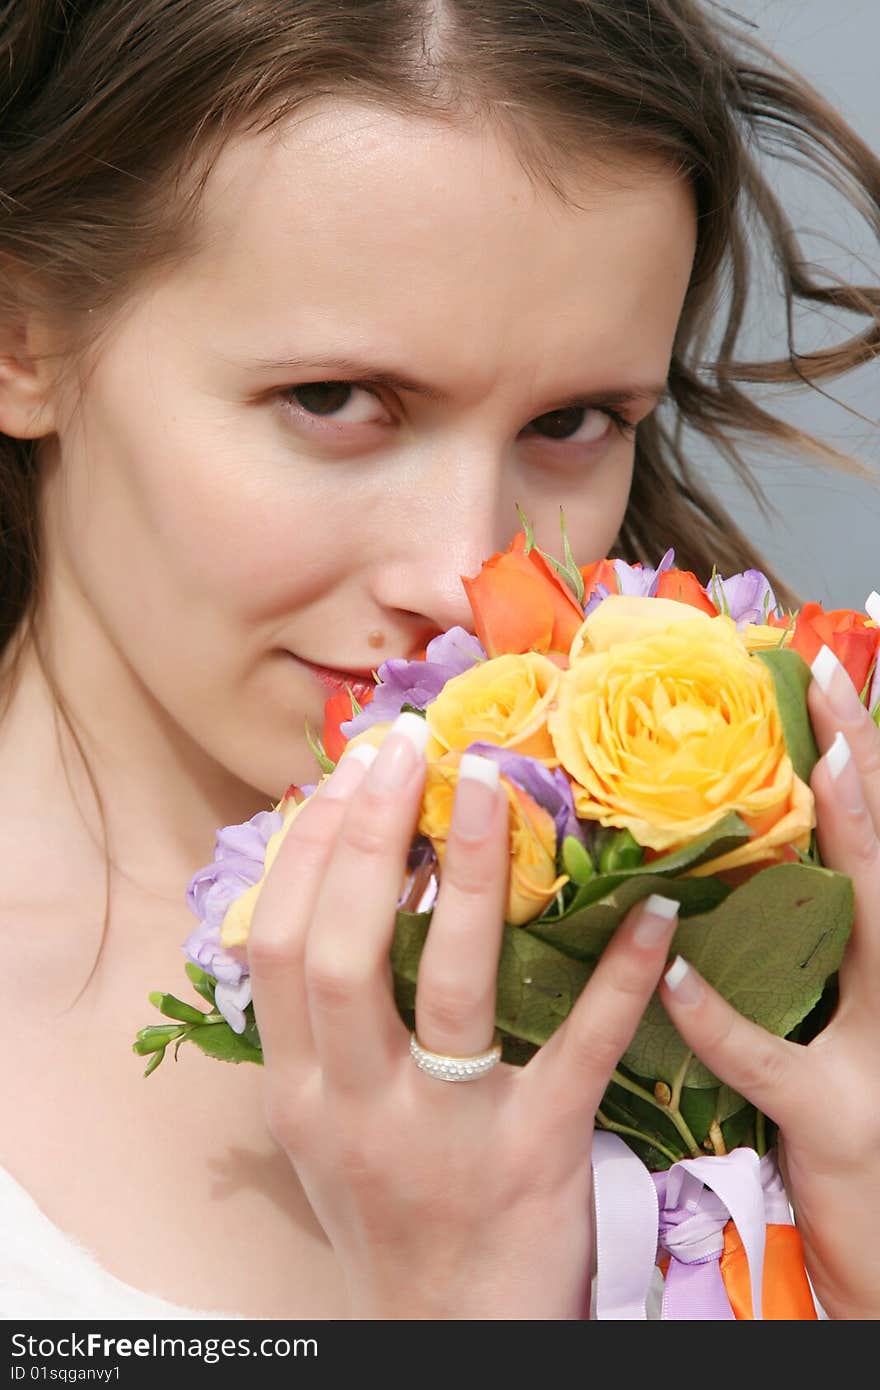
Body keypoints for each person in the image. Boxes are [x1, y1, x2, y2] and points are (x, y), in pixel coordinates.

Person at [0, 0, 878, 1321]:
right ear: (22, 338)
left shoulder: (798, 955)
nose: (464, 571)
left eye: (575, 420)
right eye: (336, 400)